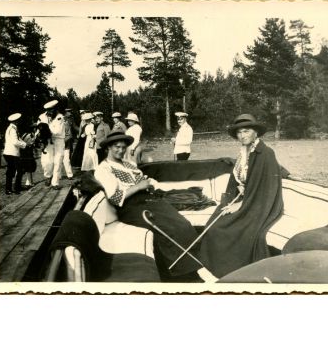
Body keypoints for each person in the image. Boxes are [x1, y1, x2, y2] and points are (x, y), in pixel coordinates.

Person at [94, 130, 217, 282]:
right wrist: (139, 186)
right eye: (116, 147)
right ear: (108, 148)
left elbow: (142, 179)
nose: (120, 150)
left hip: (150, 200)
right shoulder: (104, 169)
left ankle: (192, 269)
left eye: (123, 147)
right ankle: (184, 275)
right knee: (167, 230)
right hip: (131, 207)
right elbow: (115, 197)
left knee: (183, 225)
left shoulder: (129, 164)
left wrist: (148, 184)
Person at [200, 114, 284, 278]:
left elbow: (266, 188)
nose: (242, 135)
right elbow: (240, 178)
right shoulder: (244, 152)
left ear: (255, 133)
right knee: (215, 222)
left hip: (261, 204)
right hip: (246, 198)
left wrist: (241, 205)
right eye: (239, 133)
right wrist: (237, 192)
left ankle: (232, 271)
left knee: (230, 229)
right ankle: (213, 266)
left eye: (246, 131)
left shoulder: (266, 153)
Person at [38, 100, 66, 190]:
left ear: (55, 109)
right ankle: (48, 176)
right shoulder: (42, 116)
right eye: (48, 110)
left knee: (58, 161)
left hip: (58, 140)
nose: (50, 112)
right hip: (47, 141)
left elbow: (57, 131)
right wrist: (38, 134)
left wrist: (47, 129)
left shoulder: (60, 117)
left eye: (52, 110)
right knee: (47, 162)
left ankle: (55, 183)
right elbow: (38, 129)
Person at [2, 113, 28, 195]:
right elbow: (15, 142)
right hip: (12, 153)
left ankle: (9, 189)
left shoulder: (13, 128)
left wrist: (26, 143)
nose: (20, 121)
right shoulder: (12, 129)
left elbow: (18, 138)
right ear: (16, 121)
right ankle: (16, 188)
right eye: (19, 120)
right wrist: (25, 145)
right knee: (19, 170)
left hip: (9, 153)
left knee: (11, 171)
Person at [20, 123, 38, 188]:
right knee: (29, 167)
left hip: (23, 152)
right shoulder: (31, 135)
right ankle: (29, 182)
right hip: (28, 152)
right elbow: (31, 143)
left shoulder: (24, 134)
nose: (36, 129)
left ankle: (28, 182)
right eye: (35, 128)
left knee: (26, 168)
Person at [62, 109, 75, 180]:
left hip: (66, 144)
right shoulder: (56, 123)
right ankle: (57, 175)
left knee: (67, 159)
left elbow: (69, 135)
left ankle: (70, 175)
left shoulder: (67, 123)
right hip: (57, 144)